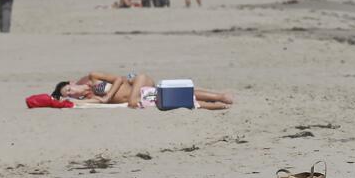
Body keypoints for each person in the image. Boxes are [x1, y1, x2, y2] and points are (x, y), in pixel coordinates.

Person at [51, 72, 234, 110]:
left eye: (69, 89)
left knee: (172, 95)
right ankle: (220, 103)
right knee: (175, 98)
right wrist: (69, 102)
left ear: (71, 82)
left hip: (138, 83)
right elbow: (84, 104)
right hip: (140, 96)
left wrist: (107, 96)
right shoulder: (90, 95)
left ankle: (220, 97)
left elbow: (119, 79)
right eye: (69, 94)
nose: (72, 92)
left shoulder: (93, 78)